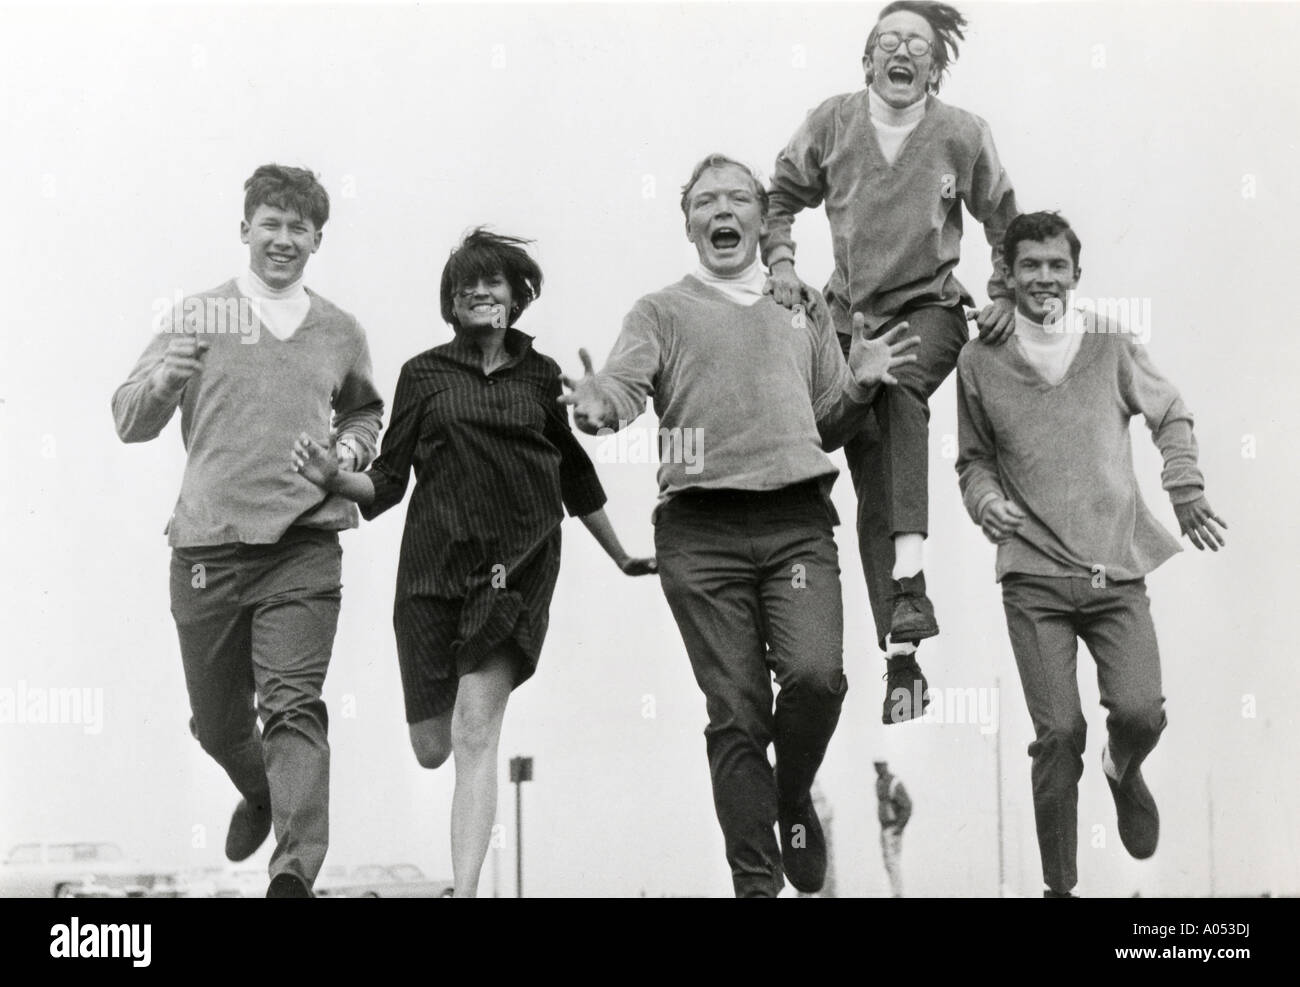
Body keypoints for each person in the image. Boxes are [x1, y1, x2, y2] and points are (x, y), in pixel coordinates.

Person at [559, 154, 919, 897]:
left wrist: (860, 379)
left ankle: (791, 799)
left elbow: (825, 419)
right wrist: (599, 405)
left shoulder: (803, 304)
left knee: (819, 678)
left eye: (737, 199)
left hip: (795, 523)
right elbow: (621, 391)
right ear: (688, 223)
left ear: (762, 218)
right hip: (700, 531)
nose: (721, 212)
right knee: (738, 711)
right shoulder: (660, 311)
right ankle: (755, 884)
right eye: (704, 202)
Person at [292, 229, 654, 898]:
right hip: (431, 573)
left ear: (517, 295)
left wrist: (624, 553)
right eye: (464, 285)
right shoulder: (423, 375)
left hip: (516, 565)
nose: (478, 292)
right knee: (433, 745)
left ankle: (463, 887)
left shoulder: (543, 378)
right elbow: (390, 479)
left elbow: (575, 477)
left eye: (492, 282)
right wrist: (334, 481)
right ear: (450, 303)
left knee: (475, 729)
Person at [112, 164, 384, 897]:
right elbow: (128, 419)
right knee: (217, 722)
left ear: (318, 239)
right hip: (207, 545)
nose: (284, 238)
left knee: (293, 707)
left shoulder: (339, 329)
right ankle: (259, 790)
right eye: (272, 223)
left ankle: (293, 871)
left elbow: (364, 412)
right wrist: (167, 379)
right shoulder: (200, 314)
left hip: (303, 543)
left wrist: (350, 452)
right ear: (245, 231)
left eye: (300, 227)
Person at [955, 211, 1227, 897]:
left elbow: (1171, 412)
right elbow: (973, 461)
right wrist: (985, 500)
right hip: (1033, 575)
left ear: (1076, 273)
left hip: (1116, 572)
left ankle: (1124, 771)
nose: (1043, 277)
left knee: (1141, 711)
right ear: (1008, 276)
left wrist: (1185, 487)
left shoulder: (1110, 344)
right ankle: (1060, 888)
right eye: (1029, 266)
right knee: (1057, 734)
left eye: (1056, 265)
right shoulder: (979, 360)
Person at [762, 1, 1020, 724]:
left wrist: (1001, 291)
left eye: (919, 45)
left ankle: (909, 584)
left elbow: (1005, 218)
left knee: (900, 388)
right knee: (870, 446)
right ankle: (902, 658)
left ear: (936, 68)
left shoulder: (962, 134)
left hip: (929, 308)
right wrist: (781, 262)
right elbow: (778, 196)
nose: (902, 52)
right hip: (848, 318)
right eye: (889, 41)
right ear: (867, 58)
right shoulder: (833, 123)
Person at [874, 759, 911, 897]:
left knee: (892, 862)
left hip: (892, 828)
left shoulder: (894, 783)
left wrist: (899, 827)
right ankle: (895, 892)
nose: (877, 768)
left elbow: (907, 806)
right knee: (889, 863)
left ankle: (897, 894)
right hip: (885, 828)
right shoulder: (879, 782)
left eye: (879, 765)